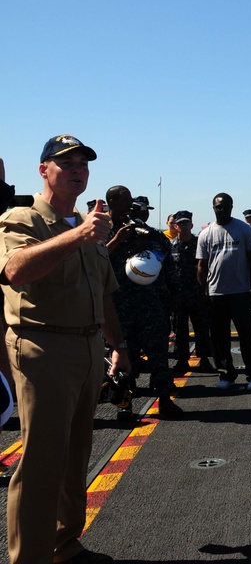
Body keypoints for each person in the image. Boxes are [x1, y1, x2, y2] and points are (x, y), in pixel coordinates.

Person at [0, 134, 127, 564]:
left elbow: (105, 294)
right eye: (66, 162)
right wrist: (77, 237)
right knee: (40, 462)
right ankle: (30, 558)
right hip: (43, 346)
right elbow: (16, 270)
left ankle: (65, 544)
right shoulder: (23, 218)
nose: (77, 169)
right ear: (43, 170)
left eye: (83, 164)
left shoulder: (90, 225)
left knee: (76, 455)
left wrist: (119, 347)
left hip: (88, 345)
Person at [105, 185, 181, 420]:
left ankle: (164, 400)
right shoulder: (103, 233)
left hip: (151, 304)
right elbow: (92, 261)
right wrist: (118, 240)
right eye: (126, 201)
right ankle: (125, 406)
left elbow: (167, 264)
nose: (130, 207)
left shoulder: (151, 235)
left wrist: (175, 297)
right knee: (126, 356)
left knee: (158, 353)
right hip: (121, 307)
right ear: (112, 202)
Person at [196, 192, 251, 390]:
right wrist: (203, 292)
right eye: (219, 207)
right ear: (213, 208)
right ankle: (226, 374)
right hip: (216, 294)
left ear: (232, 207)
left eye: (226, 206)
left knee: (247, 336)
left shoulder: (244, 229)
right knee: (219, 339)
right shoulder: (206, 233)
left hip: (240, 292)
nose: (222, 210)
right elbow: (201, 265)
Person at [165, 210, 213, 375]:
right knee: (179, 330)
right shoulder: (170, 247)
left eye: (187, 223)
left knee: (201, 328)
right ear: (175, 226)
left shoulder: (199, 243)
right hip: (177, 295)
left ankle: (205, 359)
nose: (184, 227)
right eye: (181, 224)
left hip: (197, 293)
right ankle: (181, 360)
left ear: (191, 225)